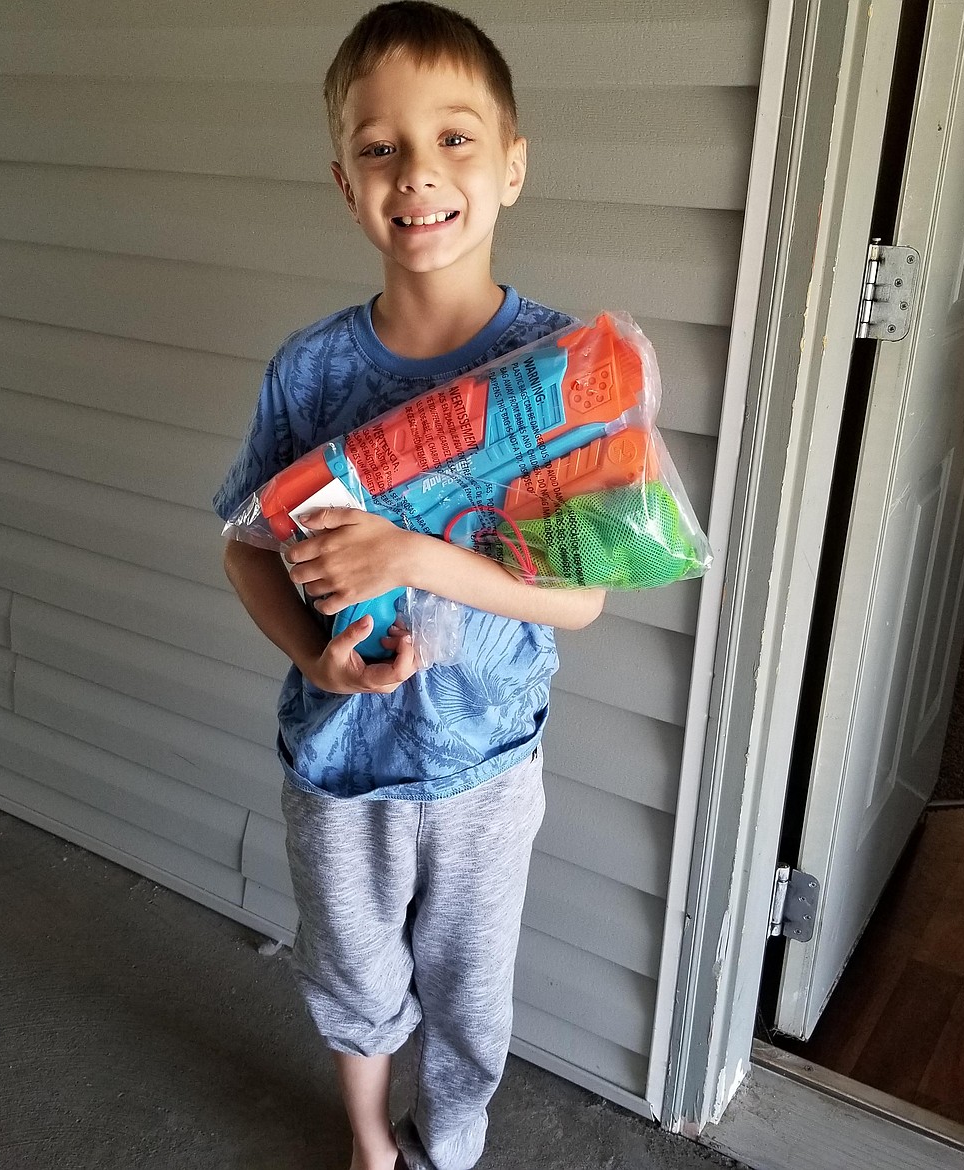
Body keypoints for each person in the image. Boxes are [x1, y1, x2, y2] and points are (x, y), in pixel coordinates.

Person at [214, 4, 605, 1168]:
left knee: (471, 992)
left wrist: (414, 556)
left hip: (488, 764)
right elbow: (242, 544)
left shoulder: (559, 367)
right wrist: (310, 654)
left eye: (455, 139)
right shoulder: (313, 370)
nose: (418, 174)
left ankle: (456, 1140)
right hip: (339, 763)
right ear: (346, 184)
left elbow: (581, 598)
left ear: (513, 166)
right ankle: (372, 1143)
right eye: (380, 148)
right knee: (353, 970)